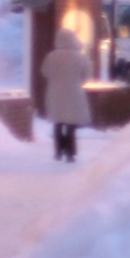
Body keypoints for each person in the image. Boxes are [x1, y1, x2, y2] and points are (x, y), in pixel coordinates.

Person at [39, 28, 92, 162]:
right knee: (71, 124)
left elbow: (45, 72)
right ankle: (70, 152)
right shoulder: (81, 57)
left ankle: (58, 151)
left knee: (58, 123)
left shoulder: (52, 56)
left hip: (55, 93)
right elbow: (86, 76)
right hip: (74, 93)